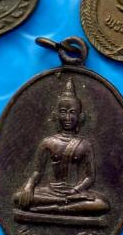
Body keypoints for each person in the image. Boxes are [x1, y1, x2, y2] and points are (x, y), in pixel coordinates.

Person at [13, 78, 109, 217]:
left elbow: (90, 177)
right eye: (63, 112)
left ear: (80, 116)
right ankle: (61, 204)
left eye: (72, 112)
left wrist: (75, 191)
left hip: (75, 193)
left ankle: (56, 209)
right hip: (51, 192)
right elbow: (37, 171)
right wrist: (29, 186)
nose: (68, 117)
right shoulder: (48, 142)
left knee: (102, 204)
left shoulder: (85, 144)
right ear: (56, 115)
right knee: (18, 197)